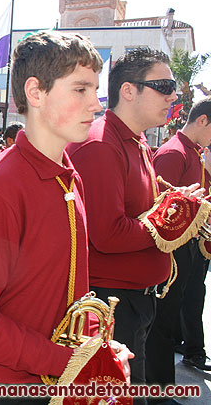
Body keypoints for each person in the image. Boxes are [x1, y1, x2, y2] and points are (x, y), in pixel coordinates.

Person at [0, 31, 132, 404]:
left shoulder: (70, 175)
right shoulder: (2, 188)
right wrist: (70, 360)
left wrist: (96, 346)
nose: (96, 104)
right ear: (36, 92)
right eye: (81, 89)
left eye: (95, 90)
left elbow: (71, 291)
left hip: (48, 382)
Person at [67, 47, 180, 403]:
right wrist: (168, 225)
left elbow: (142, 209)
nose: (173, 96)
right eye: (163, 85)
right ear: (128, 90)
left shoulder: (137, 140)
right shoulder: (101, 143)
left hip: (136, 301)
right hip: (113, 304)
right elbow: (108, 233)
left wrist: (177, 205)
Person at [145, 97, 211, 397]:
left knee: (168, 326)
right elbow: (157, 208)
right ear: (203, 121)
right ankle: (158, 391)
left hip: (186, 248)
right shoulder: (174, 152)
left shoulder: (192, 152)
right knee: (160, 327)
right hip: (171, 252)